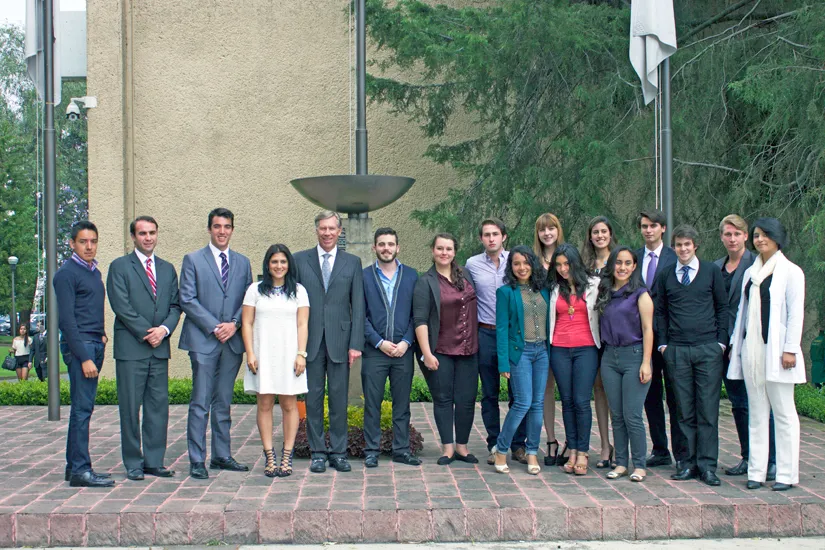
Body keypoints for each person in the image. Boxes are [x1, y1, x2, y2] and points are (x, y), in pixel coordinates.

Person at [728, 218, 805, 491]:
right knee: (757, 412)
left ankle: (786, 473)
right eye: (757, 236)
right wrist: (737, 347)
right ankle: (756, 471)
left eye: (765, 235)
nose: (760, 240)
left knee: (784, 413)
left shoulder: (791, 272)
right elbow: (742, 314)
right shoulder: (751, 273)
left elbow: (796, 314)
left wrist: (790, 349)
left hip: (779, 352)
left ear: (777, 238)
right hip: (752, 351)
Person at [179, 208, 253, 480]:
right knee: (200, 402)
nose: (222, 231)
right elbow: (187, 299)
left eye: (227, 227)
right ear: (209, 229)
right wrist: (214, 326)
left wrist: (233, 324)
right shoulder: (193, 260)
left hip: (231, 342)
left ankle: (221, 455)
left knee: (223, 401)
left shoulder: (243, 263)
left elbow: (248, 299)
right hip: (203, 341)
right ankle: (197, 459)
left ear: (233, 229)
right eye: (217, 226)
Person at [107, 216, 182, 481]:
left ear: (157, 234)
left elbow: (175, 306)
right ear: (133, 237)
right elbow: (121, 305)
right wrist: (145, 332)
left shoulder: (167, 268)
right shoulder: (119, 267)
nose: (148, 238)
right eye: (142, 233)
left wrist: (163, 330)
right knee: (130, 407)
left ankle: (154, 461)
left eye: (152, 232)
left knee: (158, 406)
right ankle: (133, 462)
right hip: (131, 349)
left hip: (159, 348)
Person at [655, 224, 728, 486]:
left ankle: (707, 466)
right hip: (677, 350)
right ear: (673, 247)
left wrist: (720, 343)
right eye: (678, 245)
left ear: (695, 246)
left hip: (708, 349)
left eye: (687, 244)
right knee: (682, 410)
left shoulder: (711, 272)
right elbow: (660, 312)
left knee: (707, 410)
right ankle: (685, 463)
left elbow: (723, 307)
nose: (683, 249)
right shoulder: (666, 275)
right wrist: (664, 345)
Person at [294, 210, 365, 474]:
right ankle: (317, 453)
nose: (327, 233)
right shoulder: (300, 260)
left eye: (331, 229)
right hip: (309, 341)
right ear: (316, 230)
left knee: (338, 400)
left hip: (340, 341)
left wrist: (355, 343)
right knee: (312, 400)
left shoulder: (352, 262)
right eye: (322, 228)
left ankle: (338, 452)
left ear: (339, 231)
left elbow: (357, 306)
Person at [714, 215, 776, 479]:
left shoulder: (757, 264)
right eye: (727, 234)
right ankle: (748, 456)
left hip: (750, 343)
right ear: (722, 238)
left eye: (737, 234)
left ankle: (771, 459)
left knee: (760, 402)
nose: (732, 239)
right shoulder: (716, 267)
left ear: (745, 236)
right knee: (738, 403)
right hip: (723, 345)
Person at [54, 221, 113, 487]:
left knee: (83, 408)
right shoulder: (66, 274)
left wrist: (101, 335)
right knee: (81, 410)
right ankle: (80, 470)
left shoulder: (93, 272)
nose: (89, 246)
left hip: (93, 343)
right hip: (81, 349)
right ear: (72, 244)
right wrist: (85, 357)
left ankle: (73, 468)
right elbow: (66, 321)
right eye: (83, 241)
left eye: (93, 241)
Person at [242, 244, 309, 477]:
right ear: (267, 265)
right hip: (262, 356)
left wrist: (301, 354)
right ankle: (270, 456)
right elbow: (247, 323)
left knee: (290, 405)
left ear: (289, 264)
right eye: (274, 262)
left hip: (290, 356)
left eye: (283, 261)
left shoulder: (299, 291)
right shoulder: (255, 290)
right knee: (265, 405)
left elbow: (303, 324)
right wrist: (250, 353)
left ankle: (287, 455)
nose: (279, 266)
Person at [465, 218, 527, 466]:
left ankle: (518, 444)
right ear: (481, 238)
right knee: (489, 393)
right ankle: (494, 443)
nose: (491, 238)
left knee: (518, 393)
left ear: (504, 237)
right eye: (486, 235)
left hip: (513, 336)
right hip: (486, 333)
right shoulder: (472, 264)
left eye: (495, 234)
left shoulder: (516, 261)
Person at [413, 233, 479, 465]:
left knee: (467, 399)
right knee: (443, 399)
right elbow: (419, 320)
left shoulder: (466, 274)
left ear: (454, 251)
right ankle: (447, 448)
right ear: (433, 251)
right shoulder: (425, 282)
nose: (444, 253)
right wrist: (427, 353)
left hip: (469, 349)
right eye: (440, 248)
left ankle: (462, 446)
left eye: (448, 249)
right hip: (440, 350)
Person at [362, 228, 421, 467]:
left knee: (402, 404)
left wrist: (407, 341)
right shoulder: (364, 276)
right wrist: (379, 342)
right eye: (381, 244)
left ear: (398, 247)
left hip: (403, 352)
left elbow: (417, 314)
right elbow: (360, 315)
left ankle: (401, 449)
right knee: (372, 403)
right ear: (374, 248)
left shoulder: (412, 276)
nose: (386, 248)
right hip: (375, 351)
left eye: (390, 244)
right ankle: (371, 450)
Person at [596, 247, 654, 482]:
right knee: (617, 415)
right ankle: (621, 462)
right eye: (618, 262)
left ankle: (639, 465)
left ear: (634, 266)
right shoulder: (605, 292)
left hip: (634, 355)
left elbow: (648, 329)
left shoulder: (640, 294)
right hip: (610, 357)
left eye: (627, 263)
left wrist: (646, 362)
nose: (622, 267)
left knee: (632, 414)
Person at [636, 209, 687, 469]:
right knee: (651, 395)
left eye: (653, 226)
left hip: (671, 336)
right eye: (644, 226)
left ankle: (682, 454)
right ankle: (659, 449)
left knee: (676, 397)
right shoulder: (633, 258)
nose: (648, 230)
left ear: (663, 229)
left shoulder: (674, 256)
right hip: (643, 336)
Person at [492, 245, 549, 475]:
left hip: (542, 352)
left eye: (526, 263)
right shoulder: (506, 292)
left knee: (537, 405)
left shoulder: (544, 290)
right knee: (523, 402)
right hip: (521, 352)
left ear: (533, 265)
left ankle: (532, 451)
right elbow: (502, 329)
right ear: (511, 267)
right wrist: (503, 363)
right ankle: (501, 448)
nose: (522, 267)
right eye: (517, 263)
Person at [547, 243, 600, 476]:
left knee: (581, 401)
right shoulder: (554, 288)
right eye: (558, 265)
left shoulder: (593, 285)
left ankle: (583, 451)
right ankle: (573, 448)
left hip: (586, 349)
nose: (562, 269)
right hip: (559, 348)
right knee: (566, 401)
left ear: (575, 263)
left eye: (566, 264)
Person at [581, 216, 617, 469]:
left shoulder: (621, 260)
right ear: (590, 236)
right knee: (599, 391)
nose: (599, 236)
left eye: (603, 231)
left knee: (617, 394)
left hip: (616, 334)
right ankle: (605, 445)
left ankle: (622, 444)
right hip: (592, 335)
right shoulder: (584, 265)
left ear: (610, 234)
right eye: (595, 232)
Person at [532, 213, 565, 466]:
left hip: (565, 331)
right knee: (546, 388)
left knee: (570, 390)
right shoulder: (532, 262)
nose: (547, 233)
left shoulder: (567, 257)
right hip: (539, 333)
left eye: (551, 228)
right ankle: (551, 440)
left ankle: (574, 442)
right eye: (543, 229)